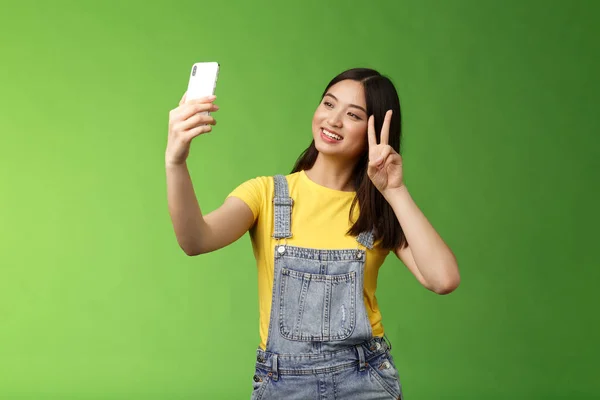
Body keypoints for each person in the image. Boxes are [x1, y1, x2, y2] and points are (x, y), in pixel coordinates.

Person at [166, 68, 460, 399]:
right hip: (282, 384)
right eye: (329, 104)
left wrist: (395, 190)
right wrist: (176, 162)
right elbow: (195, 240)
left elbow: (443, 279)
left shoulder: (380, 210)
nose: (333, 120)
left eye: (353, 115)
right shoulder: (266, 194)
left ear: (374, 131)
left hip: (364, 382)